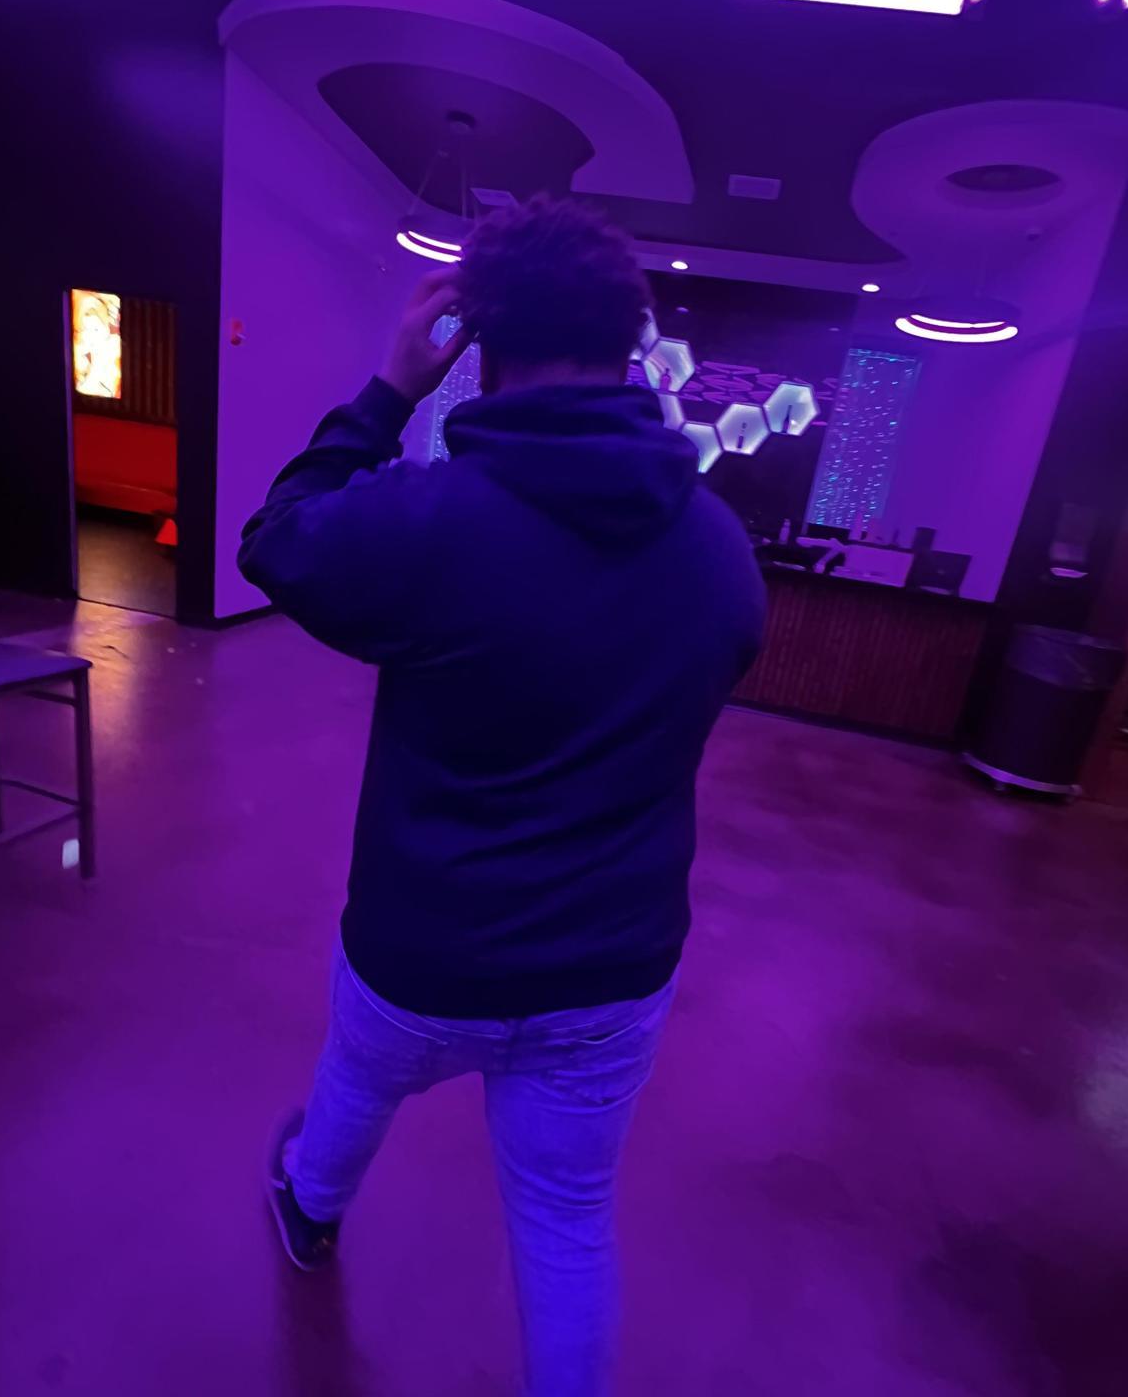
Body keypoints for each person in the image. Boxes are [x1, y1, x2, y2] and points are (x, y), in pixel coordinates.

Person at [239, 197, 764, 1397]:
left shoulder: (428, 521)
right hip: (609, 964)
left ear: (475, 340)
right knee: (566, 1218)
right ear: (631, 348)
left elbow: (276, 537)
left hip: (422, 945)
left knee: (353, 1085)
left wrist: (389, 390)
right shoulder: (719, 548)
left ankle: (308, 1209)